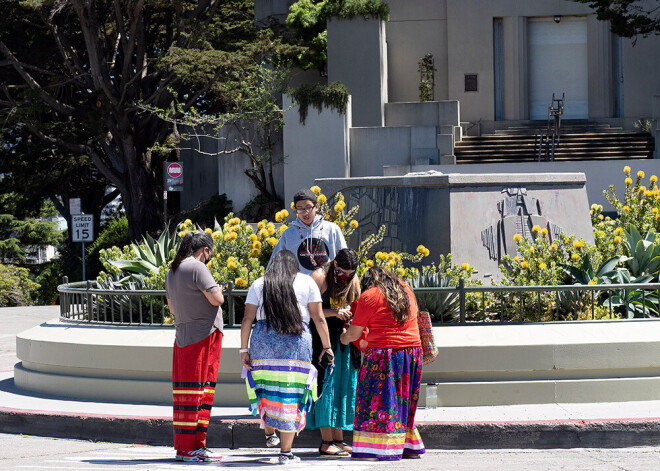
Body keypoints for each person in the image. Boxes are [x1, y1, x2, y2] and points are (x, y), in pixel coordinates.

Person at [240, 249, 334, 464]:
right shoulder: (307, 282)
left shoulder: (259, 283)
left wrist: (243, 350)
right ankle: (285, 452)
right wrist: (327, 347)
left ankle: (269, 434)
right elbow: (318, 318)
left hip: (263, 344)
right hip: (296, 345)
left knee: (268, 388)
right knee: (290, 393)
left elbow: (247, 319)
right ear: (295, 266)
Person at [340, 267, 426, 461]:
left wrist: (344, 338)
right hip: (412, 353)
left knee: (374, 402)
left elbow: (354, 333)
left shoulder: (370, 295)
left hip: (384, 354)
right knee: (403, 401)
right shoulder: (406, 290)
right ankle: (405, 446)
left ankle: (379, 448)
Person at [165, 231, 225, 463]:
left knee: (187, 393)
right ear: (205, 250)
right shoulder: (198, 268)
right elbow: (217, 299)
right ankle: (193, 447)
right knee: (201, 391)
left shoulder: (173, 270)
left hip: (183, 337)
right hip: (203, 336)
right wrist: (218, 289)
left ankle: (187, 448)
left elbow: (171, 308)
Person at [307, 248, 361, 456]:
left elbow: (357, 303)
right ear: (335, 264)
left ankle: (339, 438)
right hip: (323, 338)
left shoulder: (352, 278)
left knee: (344, 386)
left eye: (351, 274)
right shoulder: (319, 276)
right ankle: (326, 441)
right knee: (327, 386)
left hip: (344, 339)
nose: (346, 278)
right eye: (342, 273)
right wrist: (335, 313)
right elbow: (310, 311)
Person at [269, 188, 347, 275]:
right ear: (296, 210)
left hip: (328, 284)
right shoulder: (288, 234)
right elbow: (274, 263)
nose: (305, 213)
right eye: (300, 209)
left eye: (308, 207)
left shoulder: (332, 229)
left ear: (316, 207)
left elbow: (345, 259)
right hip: (299, 286)